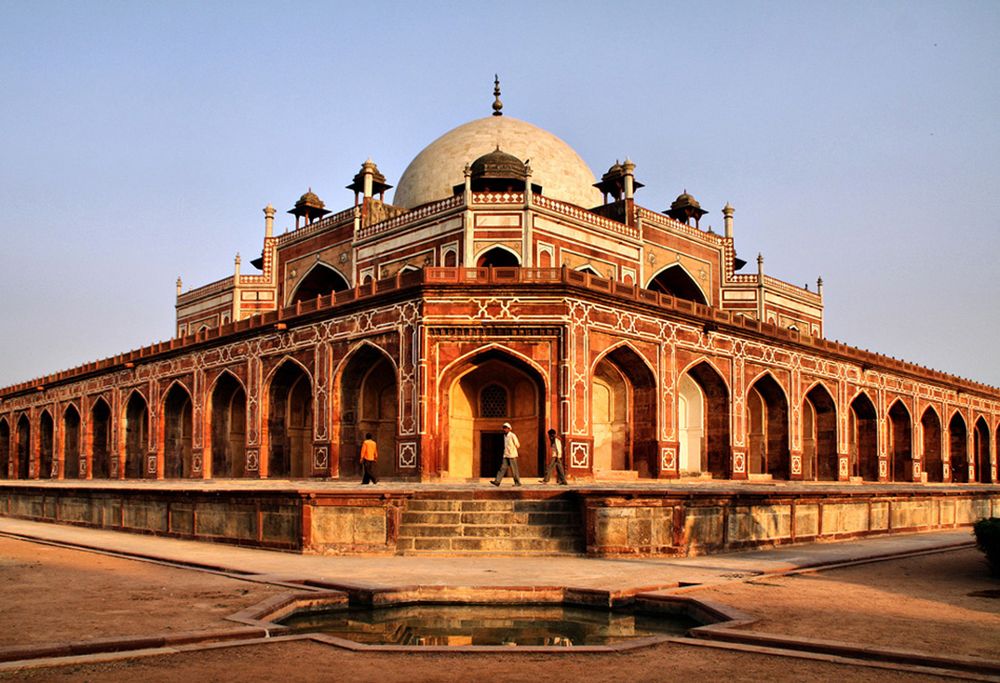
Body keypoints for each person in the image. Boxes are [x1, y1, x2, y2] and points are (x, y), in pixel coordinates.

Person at [490, 422, 521, 487]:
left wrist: (512, 449)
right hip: (506, 455)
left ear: (509, 429)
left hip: (512, 455)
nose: (504, 429)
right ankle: (497, 481)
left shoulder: (512, 435)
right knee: (502, 468)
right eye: (504, 428)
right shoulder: (504, 436)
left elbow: (517, 444)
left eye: (506, 428)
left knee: (514, 469)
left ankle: (517, 482)